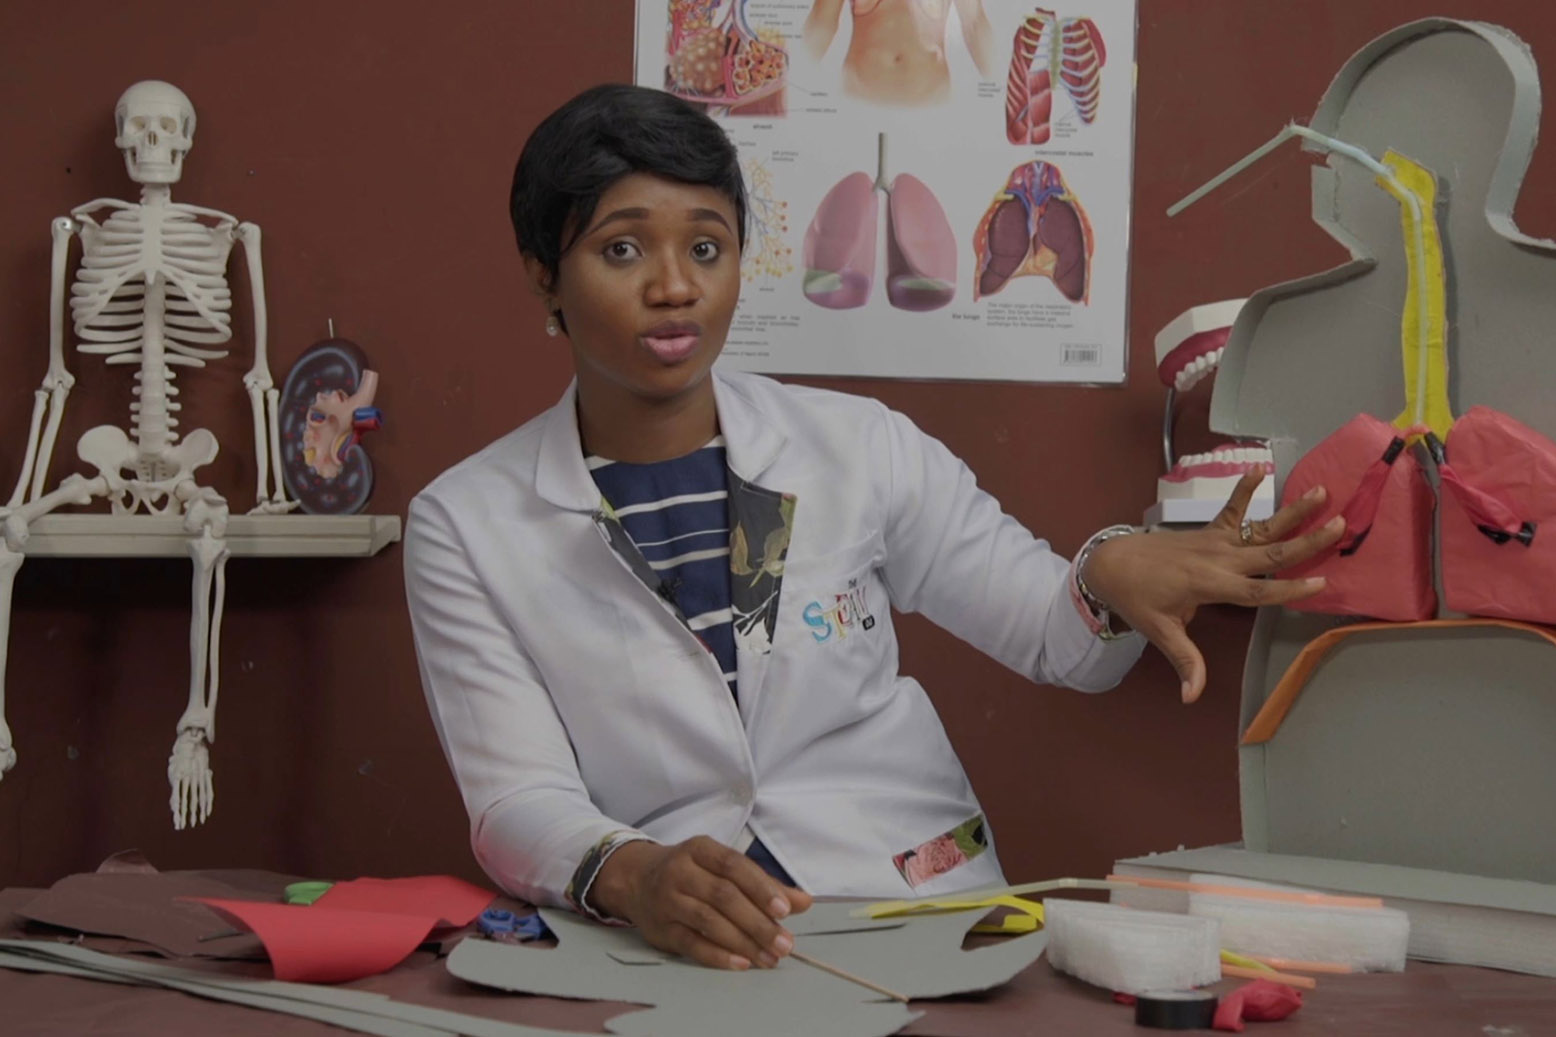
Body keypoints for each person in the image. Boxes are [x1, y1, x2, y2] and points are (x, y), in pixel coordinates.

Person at [403, 83, 1340, 975]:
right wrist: (633, 873)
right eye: (621, 250)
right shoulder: (468, 523)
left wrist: (1107, 576)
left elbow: (1054, 636)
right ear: (544, 276)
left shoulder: (857, 445)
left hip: (911, 904)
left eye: (707, 247)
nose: (675, 287)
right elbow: (517, 798)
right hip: (677, 942)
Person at [803, 0, 997, 106]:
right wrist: (799, 78)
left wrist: (997, 85)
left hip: (932, 102)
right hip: (858, 96)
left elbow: (975, 25)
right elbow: (822, 23)